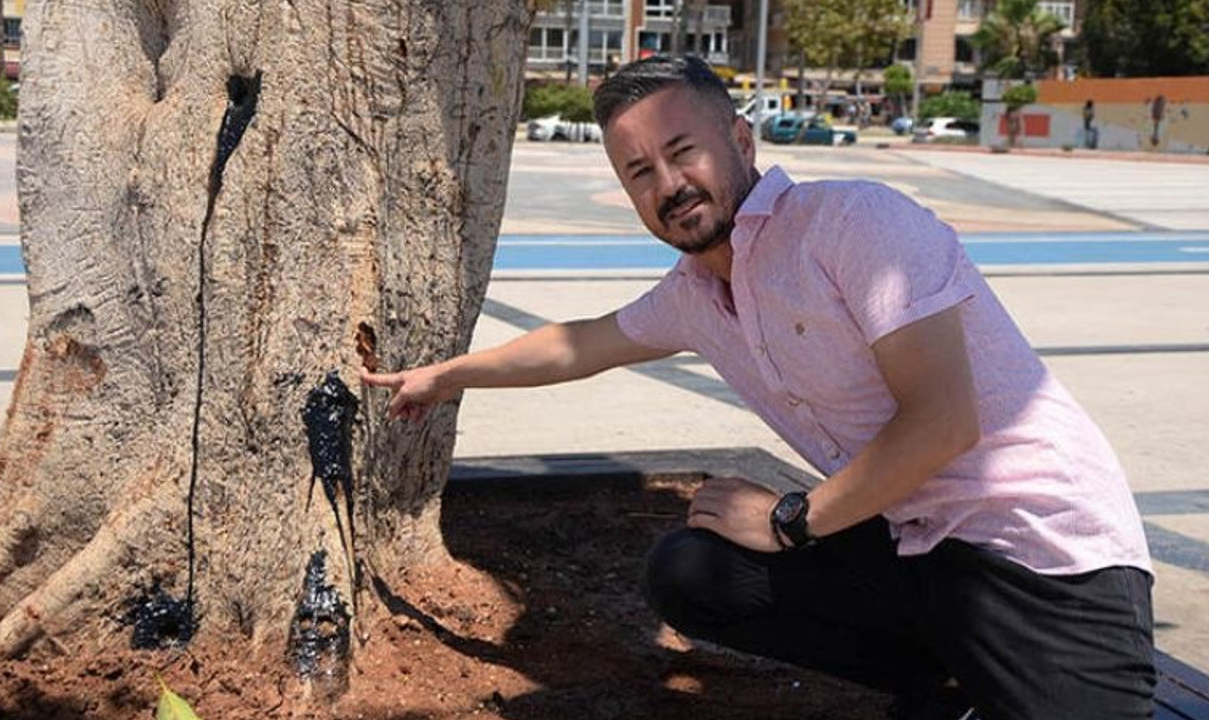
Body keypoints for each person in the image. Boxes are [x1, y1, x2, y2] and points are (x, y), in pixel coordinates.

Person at [360, 55, 1154, 720]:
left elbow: (945, 423)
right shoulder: (696, 294)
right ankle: (942, 677)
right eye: (640, 171)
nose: (668, 184)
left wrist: (790, 519)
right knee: (694, 572)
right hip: (916, 543)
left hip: (1044, 556)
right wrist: (446, 375)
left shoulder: (852, 225)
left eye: (683, 151)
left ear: (740, 140)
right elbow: (577, 345)